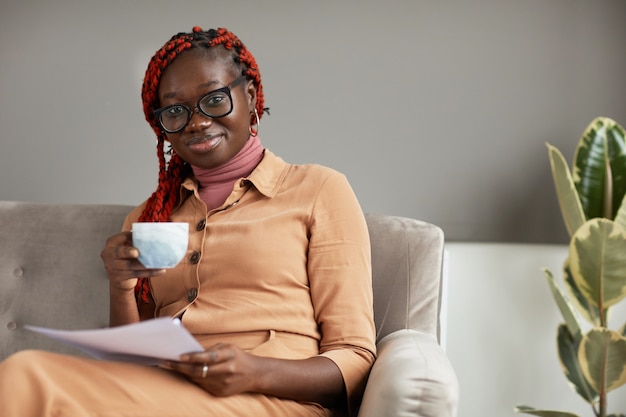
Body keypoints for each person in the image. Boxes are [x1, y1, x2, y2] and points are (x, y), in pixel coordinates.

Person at [0, 26, 376, 417]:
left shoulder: (318, 189)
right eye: (176, 111)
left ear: (249, 97)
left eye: (214, 100)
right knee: (24, 375)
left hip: (275, 401)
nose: (196, 122)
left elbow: (355, 357)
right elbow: (129, 364)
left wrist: (256, 372)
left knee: (30, 380)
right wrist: (121, 285)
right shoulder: (150, 218)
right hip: (161, 391)